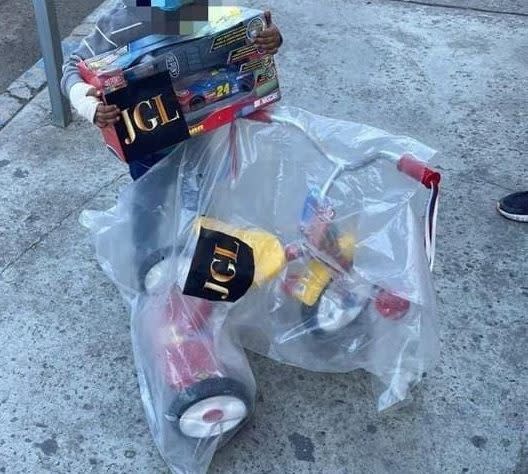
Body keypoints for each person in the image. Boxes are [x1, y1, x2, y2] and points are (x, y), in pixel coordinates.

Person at [60, 0, 283, 181]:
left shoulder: (196, 9)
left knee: (212, 210)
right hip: (152, 148)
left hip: (210, 132)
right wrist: (87, 103)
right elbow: (74, 65)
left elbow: (235, 39)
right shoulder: (119, 23)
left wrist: (266, 37)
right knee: (156, 213)